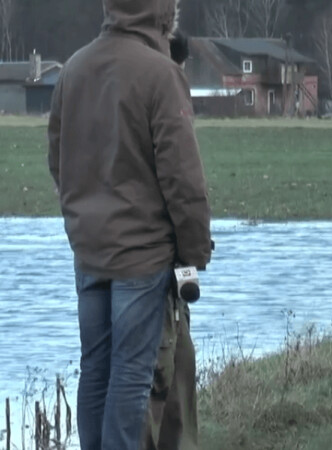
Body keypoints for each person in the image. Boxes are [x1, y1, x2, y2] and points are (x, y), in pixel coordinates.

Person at [46, 0, 212, 448]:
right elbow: (183, 179)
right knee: (133, 379)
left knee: (94, 372)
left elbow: (57, 159)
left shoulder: (74, 69)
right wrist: (194, 253)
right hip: (143, 254)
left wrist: (81, 219)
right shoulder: (160, 73)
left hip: (89, 250)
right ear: (163, 10)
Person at [141, 29, 200, 450]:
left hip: (106, 260)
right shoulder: (161, 89)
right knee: (163, 379)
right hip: (158, 264)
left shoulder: (96, 77)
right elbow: (183, 185)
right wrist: (194, 252)